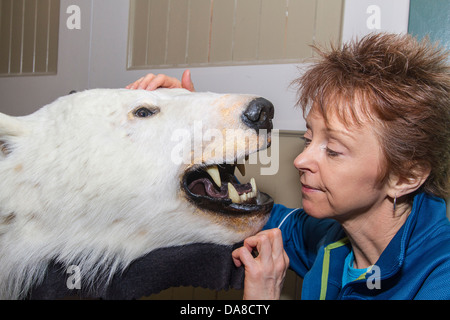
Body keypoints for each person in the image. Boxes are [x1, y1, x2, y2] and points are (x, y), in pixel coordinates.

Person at [127, 33, 450, 300]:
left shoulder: (440, 278)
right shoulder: (326, 237)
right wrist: (198, 129)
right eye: (309, 139)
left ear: (406, 176)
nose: (301, 160)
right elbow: (249, 213)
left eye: (333, 150)